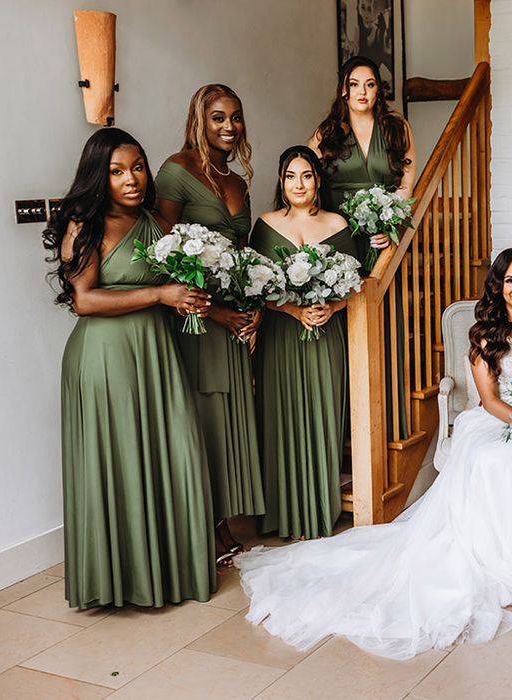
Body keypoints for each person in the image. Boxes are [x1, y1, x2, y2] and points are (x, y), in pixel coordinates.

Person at [235, 248, 512, 660]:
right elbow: (492, 402)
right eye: (511, 281)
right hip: (506, 421)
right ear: (498, 288)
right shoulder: (485, 335)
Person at [42, 128, 216, 608]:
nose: (132, 179)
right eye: (117, 171)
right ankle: (122, 582)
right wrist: (161, 294)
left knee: (171, 450)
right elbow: (85, 300)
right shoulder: (85, 223)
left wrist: (191, 297)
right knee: (120, 461)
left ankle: (171, 570)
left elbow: (175, 283)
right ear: (99, 176)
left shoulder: (154, 223)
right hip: (104, 358)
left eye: (138, 166)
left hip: (155, 352)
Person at [154, 84, 264, 566]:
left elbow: (242, 256)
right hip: (197, 317)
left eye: (236, 117)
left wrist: (252, 304)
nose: (229, 126)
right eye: (218, 117)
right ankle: (208, 523)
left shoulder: (238, 181)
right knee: (204, 416)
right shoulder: (176, 171)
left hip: (236, 316)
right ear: (200, 118)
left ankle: (225, 514)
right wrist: (214, 310)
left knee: (230, 414)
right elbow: (162, 253)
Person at [249, 146, 358, 540]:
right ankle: (282, 513)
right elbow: (253, 285)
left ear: (317, 180)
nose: (299, 184)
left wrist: (332, 308)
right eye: (291, 176)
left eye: (307, 175)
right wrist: (294, 312)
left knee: (324, 415)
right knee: (280, 417)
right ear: (281, 181)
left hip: (326, 334)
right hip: (280, 335)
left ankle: (318, 511)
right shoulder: (264, 224)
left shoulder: (336, 223)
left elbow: (356, 283)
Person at [310, 55, 416, 440]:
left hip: (383, 241)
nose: (362, 92)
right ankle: (346, 432)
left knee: (387, 325)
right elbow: (311, 189)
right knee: (344, 326)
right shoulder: (326, 133)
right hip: (342, 240)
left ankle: (388, 425)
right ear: (343, 88)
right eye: (355, 84)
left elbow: (405, 186)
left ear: (378, 90)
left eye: (370, 85)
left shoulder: (396, 127)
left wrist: (390, 227)